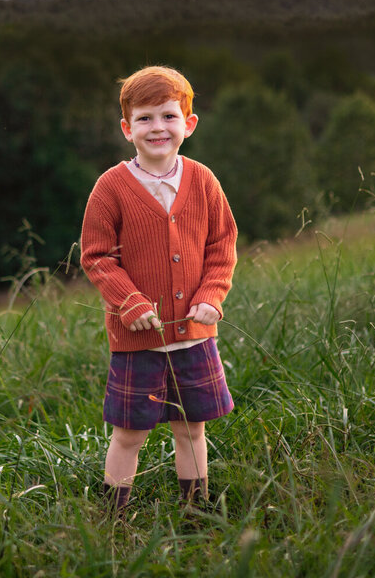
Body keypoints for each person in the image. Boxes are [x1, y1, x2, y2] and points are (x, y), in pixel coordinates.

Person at [80, 65, 238, 513]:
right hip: (137, 340)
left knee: (192, 428)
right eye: (145, 119)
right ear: (127, 129)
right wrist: (129, 303)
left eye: (168, 116)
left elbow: (222, 244)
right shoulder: (110, 187)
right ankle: (115, 516)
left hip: (194, 336)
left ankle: (197, 510)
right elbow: (96, 257)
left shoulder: (203, 180)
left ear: (187, 124)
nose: (158, 128)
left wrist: (211, 296)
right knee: (129, 433)